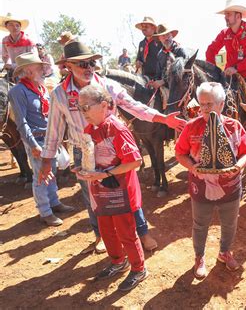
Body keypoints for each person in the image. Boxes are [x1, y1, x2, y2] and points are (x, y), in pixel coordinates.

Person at [38, 41, 185, 253]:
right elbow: (54, 130)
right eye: (82, 64)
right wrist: (46, 161)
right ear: (68, 66)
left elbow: (133, 105)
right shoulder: (59, 94)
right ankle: (100, 235)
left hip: (113, 148)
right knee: (92, 197)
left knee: (127, 192)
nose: (88, 68)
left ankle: (142, 232)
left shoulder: (107, 86)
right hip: (85, 151)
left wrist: (162, 119)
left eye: (91, 63)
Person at [175, 82, 246, 279]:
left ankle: (224, 252)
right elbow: (180, 153)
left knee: (230, 224)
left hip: (231, 186)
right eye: (202, 104)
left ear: (221, 104)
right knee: (200, 224)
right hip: (200, 186)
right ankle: (199, 257)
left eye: (210, 104)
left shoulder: (234, 126)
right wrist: (192, 167)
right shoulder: (192, 126)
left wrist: (238, 167)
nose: (205, 109)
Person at [76, 85, 147, 292]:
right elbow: (91, 159)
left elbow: (135, 162)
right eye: (80, 108)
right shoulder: (89, 129)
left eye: (86, 107)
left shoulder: (117, 128)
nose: (83, 112)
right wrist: (81, 169)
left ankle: (138, 268)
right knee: (106, 230)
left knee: (126, 231)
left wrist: (105, 174)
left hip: (121, 192)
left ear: (104, 105)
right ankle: (118, 262)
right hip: (100, 191)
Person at [8, 52, 73, 226]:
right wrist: (33, 145)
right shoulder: (17, 91)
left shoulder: (41, 87)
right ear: (28, 70)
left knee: (51, 172)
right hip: (36, 139)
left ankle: (54, 203)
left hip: (49, 137)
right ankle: (45, 211)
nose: (42, 69)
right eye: (38, 66)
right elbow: (21, 122)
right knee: (41, 176)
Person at [206, 0, 246, 100]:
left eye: (228, 14)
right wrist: (213, 71)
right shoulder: (224, 33)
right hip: (229, 75)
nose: (225, 17)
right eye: (225, 14)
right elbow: (211, 50)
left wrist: (236, 68)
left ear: (238, 16)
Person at [149, 24, 188, 91]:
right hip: (163, 87)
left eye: (168, 35)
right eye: (163, 36)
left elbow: (183, 74)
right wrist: (155, 82)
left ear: (172, 35)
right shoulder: (160, 54)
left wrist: (163, 81)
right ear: (159, 39)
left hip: (178, 89)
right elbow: (158, 73)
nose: (166, 38)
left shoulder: (180, 51)